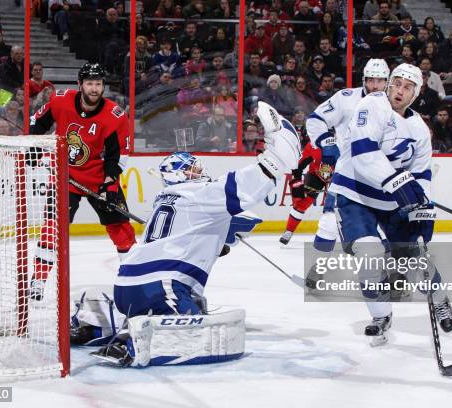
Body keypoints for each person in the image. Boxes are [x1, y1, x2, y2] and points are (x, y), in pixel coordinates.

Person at [80, 102, 301, 367]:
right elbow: (246, 187)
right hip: (162, 287)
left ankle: (94, 324)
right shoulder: (201, 193)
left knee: (192, 304)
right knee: (198, 334)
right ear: (178, 175)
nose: (199, 172)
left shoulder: (165, 198)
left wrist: (218, 237)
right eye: (192, 169)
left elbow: (192, 233)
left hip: (126, 285)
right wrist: (275, 158)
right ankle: (130, 340)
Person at [317, 63, 452, 344]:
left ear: (416, 93)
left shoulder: (419, 129)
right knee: (369, 253)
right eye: (395, 84)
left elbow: (422, 173)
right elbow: (364, 152)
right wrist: (397, 182)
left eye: (407, 87)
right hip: (355, 194)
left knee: (413, 256)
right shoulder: (372, 105)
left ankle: (439, 299)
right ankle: (381, 315)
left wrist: (422, 209)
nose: (398, 91)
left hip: (391, 201)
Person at [29, 63, 136, 300]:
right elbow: (37, 122)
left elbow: (118, 154)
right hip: (66, 179)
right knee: (51, 230)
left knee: (121, 229)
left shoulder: (115, 115)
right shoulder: (60, 101)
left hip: (100, 180)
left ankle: (133, 277)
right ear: (80, 85)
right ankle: (38, 280)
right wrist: (34, 150)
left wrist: (109, 183)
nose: (94, 88)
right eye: (90, 83)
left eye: (98, 84)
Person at [279, 59, 390, 250]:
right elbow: (316, 119)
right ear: (364, 79)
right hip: (344, 171)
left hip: (376, 173)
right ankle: (318, 269)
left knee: (384, 221)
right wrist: (327, 142)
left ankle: (389, 265)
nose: (375, 86)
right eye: (371, 80)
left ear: (387, 82)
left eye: (380, 81)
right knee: (329, 218)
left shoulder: (393, 105)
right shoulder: (346, 98)